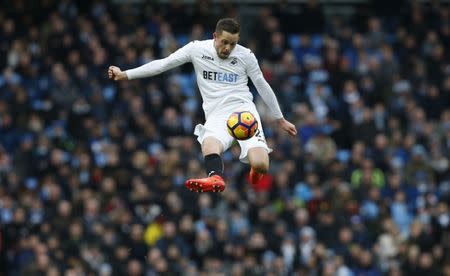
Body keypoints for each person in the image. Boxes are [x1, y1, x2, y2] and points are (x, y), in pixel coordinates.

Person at [108, 18, 297, 193]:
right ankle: (215, 178)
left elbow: (262, 85)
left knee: (262, 164)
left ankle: (256, 170)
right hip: (217, 114)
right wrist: (125, 74)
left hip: (243, 112)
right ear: (215, 36)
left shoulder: (246, 56)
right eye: (224, 42)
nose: (228, 48)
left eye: (233, 43)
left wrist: (280, 119)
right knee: (209, 144)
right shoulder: (197, 49)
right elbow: (163, 64)